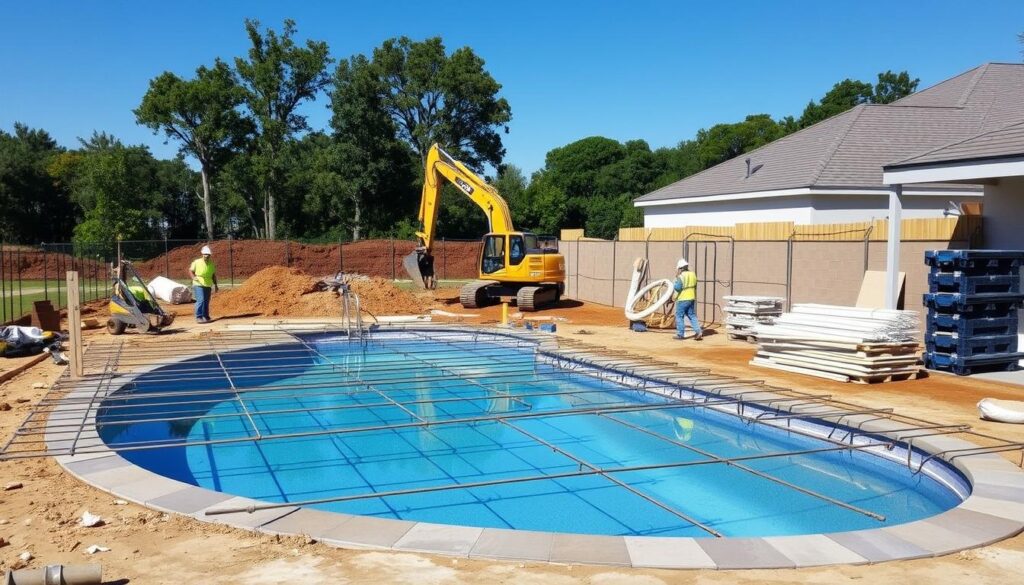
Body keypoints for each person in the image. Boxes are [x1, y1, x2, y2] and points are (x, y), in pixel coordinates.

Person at [673, 258, 702, 341]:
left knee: (679, 316)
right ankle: (698, 332)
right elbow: (695, 285)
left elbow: (678, 288)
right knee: (692, 315)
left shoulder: (681, 276)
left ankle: (680, 335)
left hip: (682, 299)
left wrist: (674, 283)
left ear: (680, 268)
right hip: (691, 298)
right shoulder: (693, 274)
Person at [189, 245, 219, 323]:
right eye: (205, 254)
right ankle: (199, 317)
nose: (206, 256)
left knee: (206, 301)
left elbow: (213, 275)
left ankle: (206, 316)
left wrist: (216, 285)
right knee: (201, 300)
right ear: (202, 254)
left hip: (208, 284)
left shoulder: (211, 264)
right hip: (198, 283)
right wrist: (193, 277)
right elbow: (191, 271)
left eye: (208, 254)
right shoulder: (197, 262)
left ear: (210, 255)